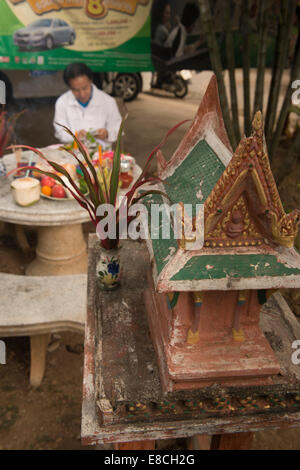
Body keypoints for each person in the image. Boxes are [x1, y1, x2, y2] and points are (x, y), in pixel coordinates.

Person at [53, 62, 122, 149]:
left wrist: (107, 133)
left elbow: (118, 129)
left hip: (101, 156)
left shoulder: (108, 101)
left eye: (85, 88)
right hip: (74, 156)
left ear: (91, 80)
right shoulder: (62, 102)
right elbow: (60, 132)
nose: (82, 94)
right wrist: (75, 136)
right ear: (69, 87)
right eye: (76, 90)